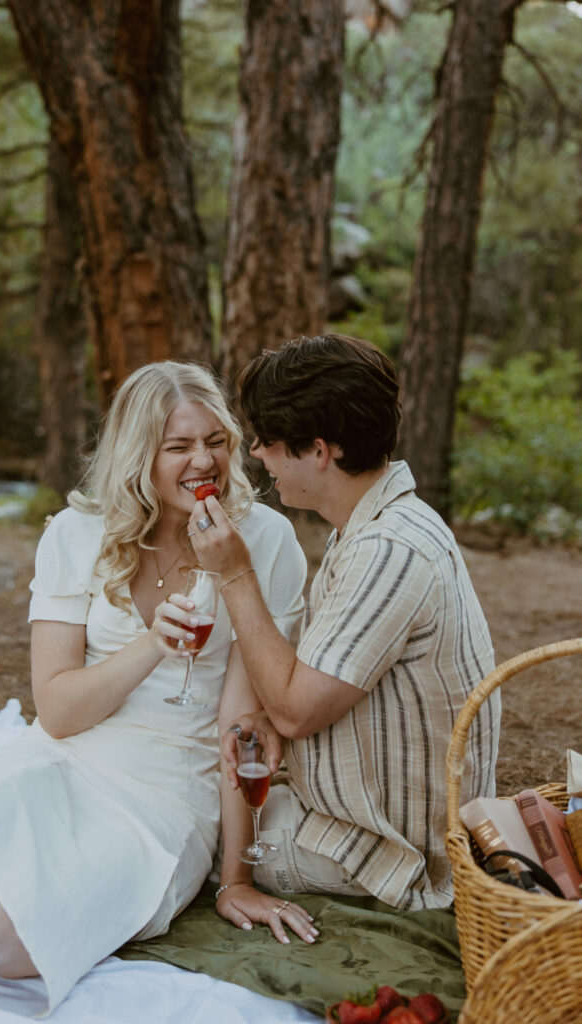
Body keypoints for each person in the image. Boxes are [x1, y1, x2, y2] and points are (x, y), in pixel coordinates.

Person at [0, 361, 312, 1012]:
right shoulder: (77, 533)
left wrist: (234, 878)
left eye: (216, 441)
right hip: (63, 757)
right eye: (178, 447)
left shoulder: (265, 539)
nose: (203, 460)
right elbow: (58, 713)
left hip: (165, 797)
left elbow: (241, 729)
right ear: (136, 454)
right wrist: (151, 643)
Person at [181, 333, 500, 939]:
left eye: (267, 442)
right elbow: (317, 693)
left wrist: (234, 573)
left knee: (194, 823)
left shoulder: (389, 549)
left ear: (319, 451)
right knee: (210, 787)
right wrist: (272, 724)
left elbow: (298, 712)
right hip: (365, 814)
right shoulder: (371, 523)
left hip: (383, 852)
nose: (255, 454)